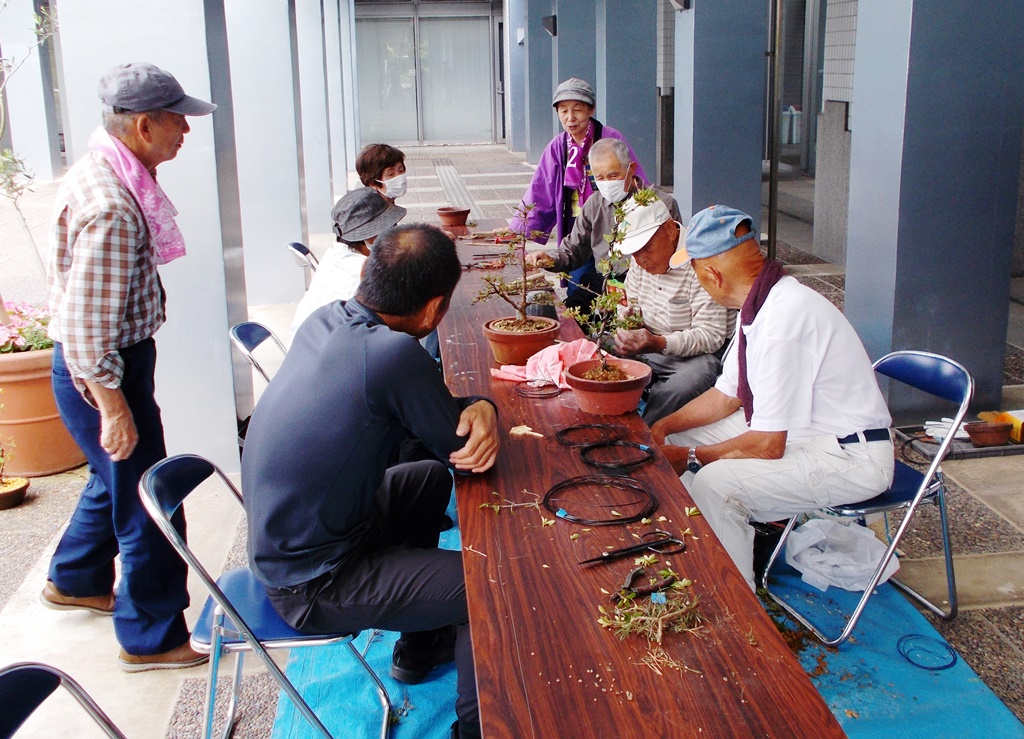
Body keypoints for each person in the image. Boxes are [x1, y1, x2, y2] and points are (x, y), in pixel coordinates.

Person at [243, 224, 500, 739]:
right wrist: (486, 408)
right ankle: (477, 730)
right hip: (313, 581)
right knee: (487, 587)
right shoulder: (393, 355)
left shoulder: (326, 319)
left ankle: (419, 645)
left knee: (425, 481)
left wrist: (475, 411)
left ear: (368, 274)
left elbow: (441, 445)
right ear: (432, 311)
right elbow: (465, 453)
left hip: (299, 537)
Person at [42, 62, 216, 671]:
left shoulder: (101, 170)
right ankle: (150, 638)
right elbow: (88, 331)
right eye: (178, 120)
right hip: (102, 374)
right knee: (150, 499)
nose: (186, 132)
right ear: (144, 125)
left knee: (111, 477)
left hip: (100, 370)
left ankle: (74, 576)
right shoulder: (114, 205)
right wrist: (114, 407)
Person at [650, 205, 895, 591]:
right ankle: (705, 551)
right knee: (678, 439)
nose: (699, 283)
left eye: (696, 274)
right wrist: (663, 426)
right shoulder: (762, 301)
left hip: (851, 458)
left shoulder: (784, 318)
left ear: (712, 274)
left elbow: (767, 445)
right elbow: (725, 396)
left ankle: (738, 607)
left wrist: (692, 458)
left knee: (718, 484)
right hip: (808, 435)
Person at [510, 78, 648, 309]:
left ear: (591, 110)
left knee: (617, 280)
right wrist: (519, 227)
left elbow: (635, 179)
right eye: (563, 111)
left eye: (577, 110)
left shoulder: (610, 137)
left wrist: (645, 210)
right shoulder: (558, 146)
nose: (570, 117)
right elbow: (540, 188)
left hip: (612, 220)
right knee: (579, 281)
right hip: (576, 221)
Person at [612, 192, 733, 425]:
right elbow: (630, 303)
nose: (640, 260)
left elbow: (712, 335)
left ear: (669, 230)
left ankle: (647, 431)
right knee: (596, 349)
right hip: (649, 344)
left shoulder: (701, 261)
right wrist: (628, 321)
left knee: (688, 381)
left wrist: (659, 343)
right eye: (633, 252)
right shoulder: (640, 262)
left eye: (646, 248)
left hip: (694, 355)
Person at [290, 187, 406, 334]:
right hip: (326, 351)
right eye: (392, 227)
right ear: (372, 238)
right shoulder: (364, 274)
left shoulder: (334, 253)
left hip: (303, 346)